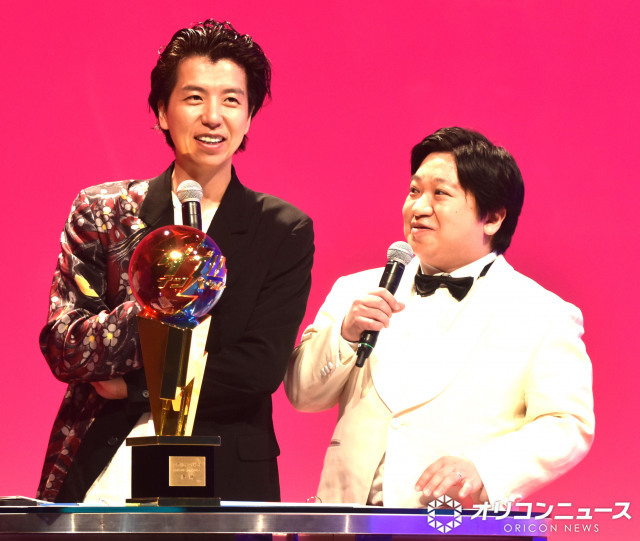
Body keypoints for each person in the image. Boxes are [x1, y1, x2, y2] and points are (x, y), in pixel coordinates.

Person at [38, 19, 314, 503]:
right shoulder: (104, 212)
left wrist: (135, 386)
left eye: (232, 100)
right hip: (105, 460)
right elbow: (65, 345)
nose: (213, 116)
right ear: (162, 112)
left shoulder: (282, 229)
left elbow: (258, 368)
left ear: (249, 117)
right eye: (194, 98)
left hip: (227, 471)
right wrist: (155, 300)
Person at [285, 127, 594, 508]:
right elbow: (302, 395)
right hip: (341, 522)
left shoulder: (542, 313)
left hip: (449, 522)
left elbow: (567, 423)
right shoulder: (357, 289)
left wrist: (486, 469)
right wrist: (346, 334)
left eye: (440, 194)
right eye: (414, 191)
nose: (418, 207)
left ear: (493, 217)